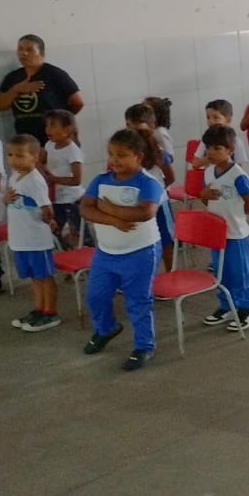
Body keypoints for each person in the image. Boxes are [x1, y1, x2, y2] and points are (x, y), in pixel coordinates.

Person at [80, 129, 164, 371]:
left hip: (140, 252)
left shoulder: (148, 182)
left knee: (138, 301)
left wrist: (109, 209)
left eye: (121, 155)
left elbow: (146, 212)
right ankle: (106, 328)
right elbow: (86, 208)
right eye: (111, 154)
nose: (114, 160)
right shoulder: (101, 180)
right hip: (106, 252)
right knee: (96, 296)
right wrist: (115, 220)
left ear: (138, 156)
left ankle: (144, 345)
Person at [198, 125, 249, 331]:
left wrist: (235, 214)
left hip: (236, 233)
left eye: (218, 148)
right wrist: (203, 196)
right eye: (208, 148)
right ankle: (226, 306)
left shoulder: (238, 175)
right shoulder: (208, 172)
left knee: (240, 273)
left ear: (230, 150)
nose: (211, 153)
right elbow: (208, 202)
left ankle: (247, 309)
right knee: (221, 272)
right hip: (217, 234)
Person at [4, 135, 59, 330]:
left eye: (20, 156)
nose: (13, 160)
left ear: (34, 156)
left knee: (45, 276)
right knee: (35, 278)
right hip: (21, 239)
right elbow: (11, 201)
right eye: (10, 155)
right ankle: (39, 309)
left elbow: (47, 208)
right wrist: (6, 199)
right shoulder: (14, 176)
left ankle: (50, 313)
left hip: (36, 239)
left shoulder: (35, 180)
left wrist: (48, 221)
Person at [0, 35, 84, 145]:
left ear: (42, 53)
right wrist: (15, 90)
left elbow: (78, 102)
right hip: (26, 139)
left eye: (29, 50)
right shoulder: (13, 77)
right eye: (20, 49)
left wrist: (60, 122)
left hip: (53, 139)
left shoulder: (54, 74)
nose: (24, 53)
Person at [125, 105, 176, 272]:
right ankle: (150, 275)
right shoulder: (128, 154)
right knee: (145, 241)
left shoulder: (158, 152)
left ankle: (169, 273)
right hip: (141, 205)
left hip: (156, 204)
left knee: (165, 240)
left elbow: (170, 177)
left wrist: (157, 193)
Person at [42, 110, 87, 249]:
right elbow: (43, 162)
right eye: (47, 125)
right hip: (56, 199)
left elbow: (77, 180)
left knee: (79, 234)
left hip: (71, 200)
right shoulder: (49, 145)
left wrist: (55, 179)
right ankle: (67, 257)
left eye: (53, 125)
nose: (48, 129)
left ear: (67, 129)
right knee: (57, 231)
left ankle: (86, 261)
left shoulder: (72, 151)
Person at [192, 100, 249, 172]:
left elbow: (240, 168)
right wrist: (212, 157)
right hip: (211, 180)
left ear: (228, 120)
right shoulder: (205, 140)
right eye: (208, 117)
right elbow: (195, 163)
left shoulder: (235, 141)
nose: (210, 121)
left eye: (216, 117)